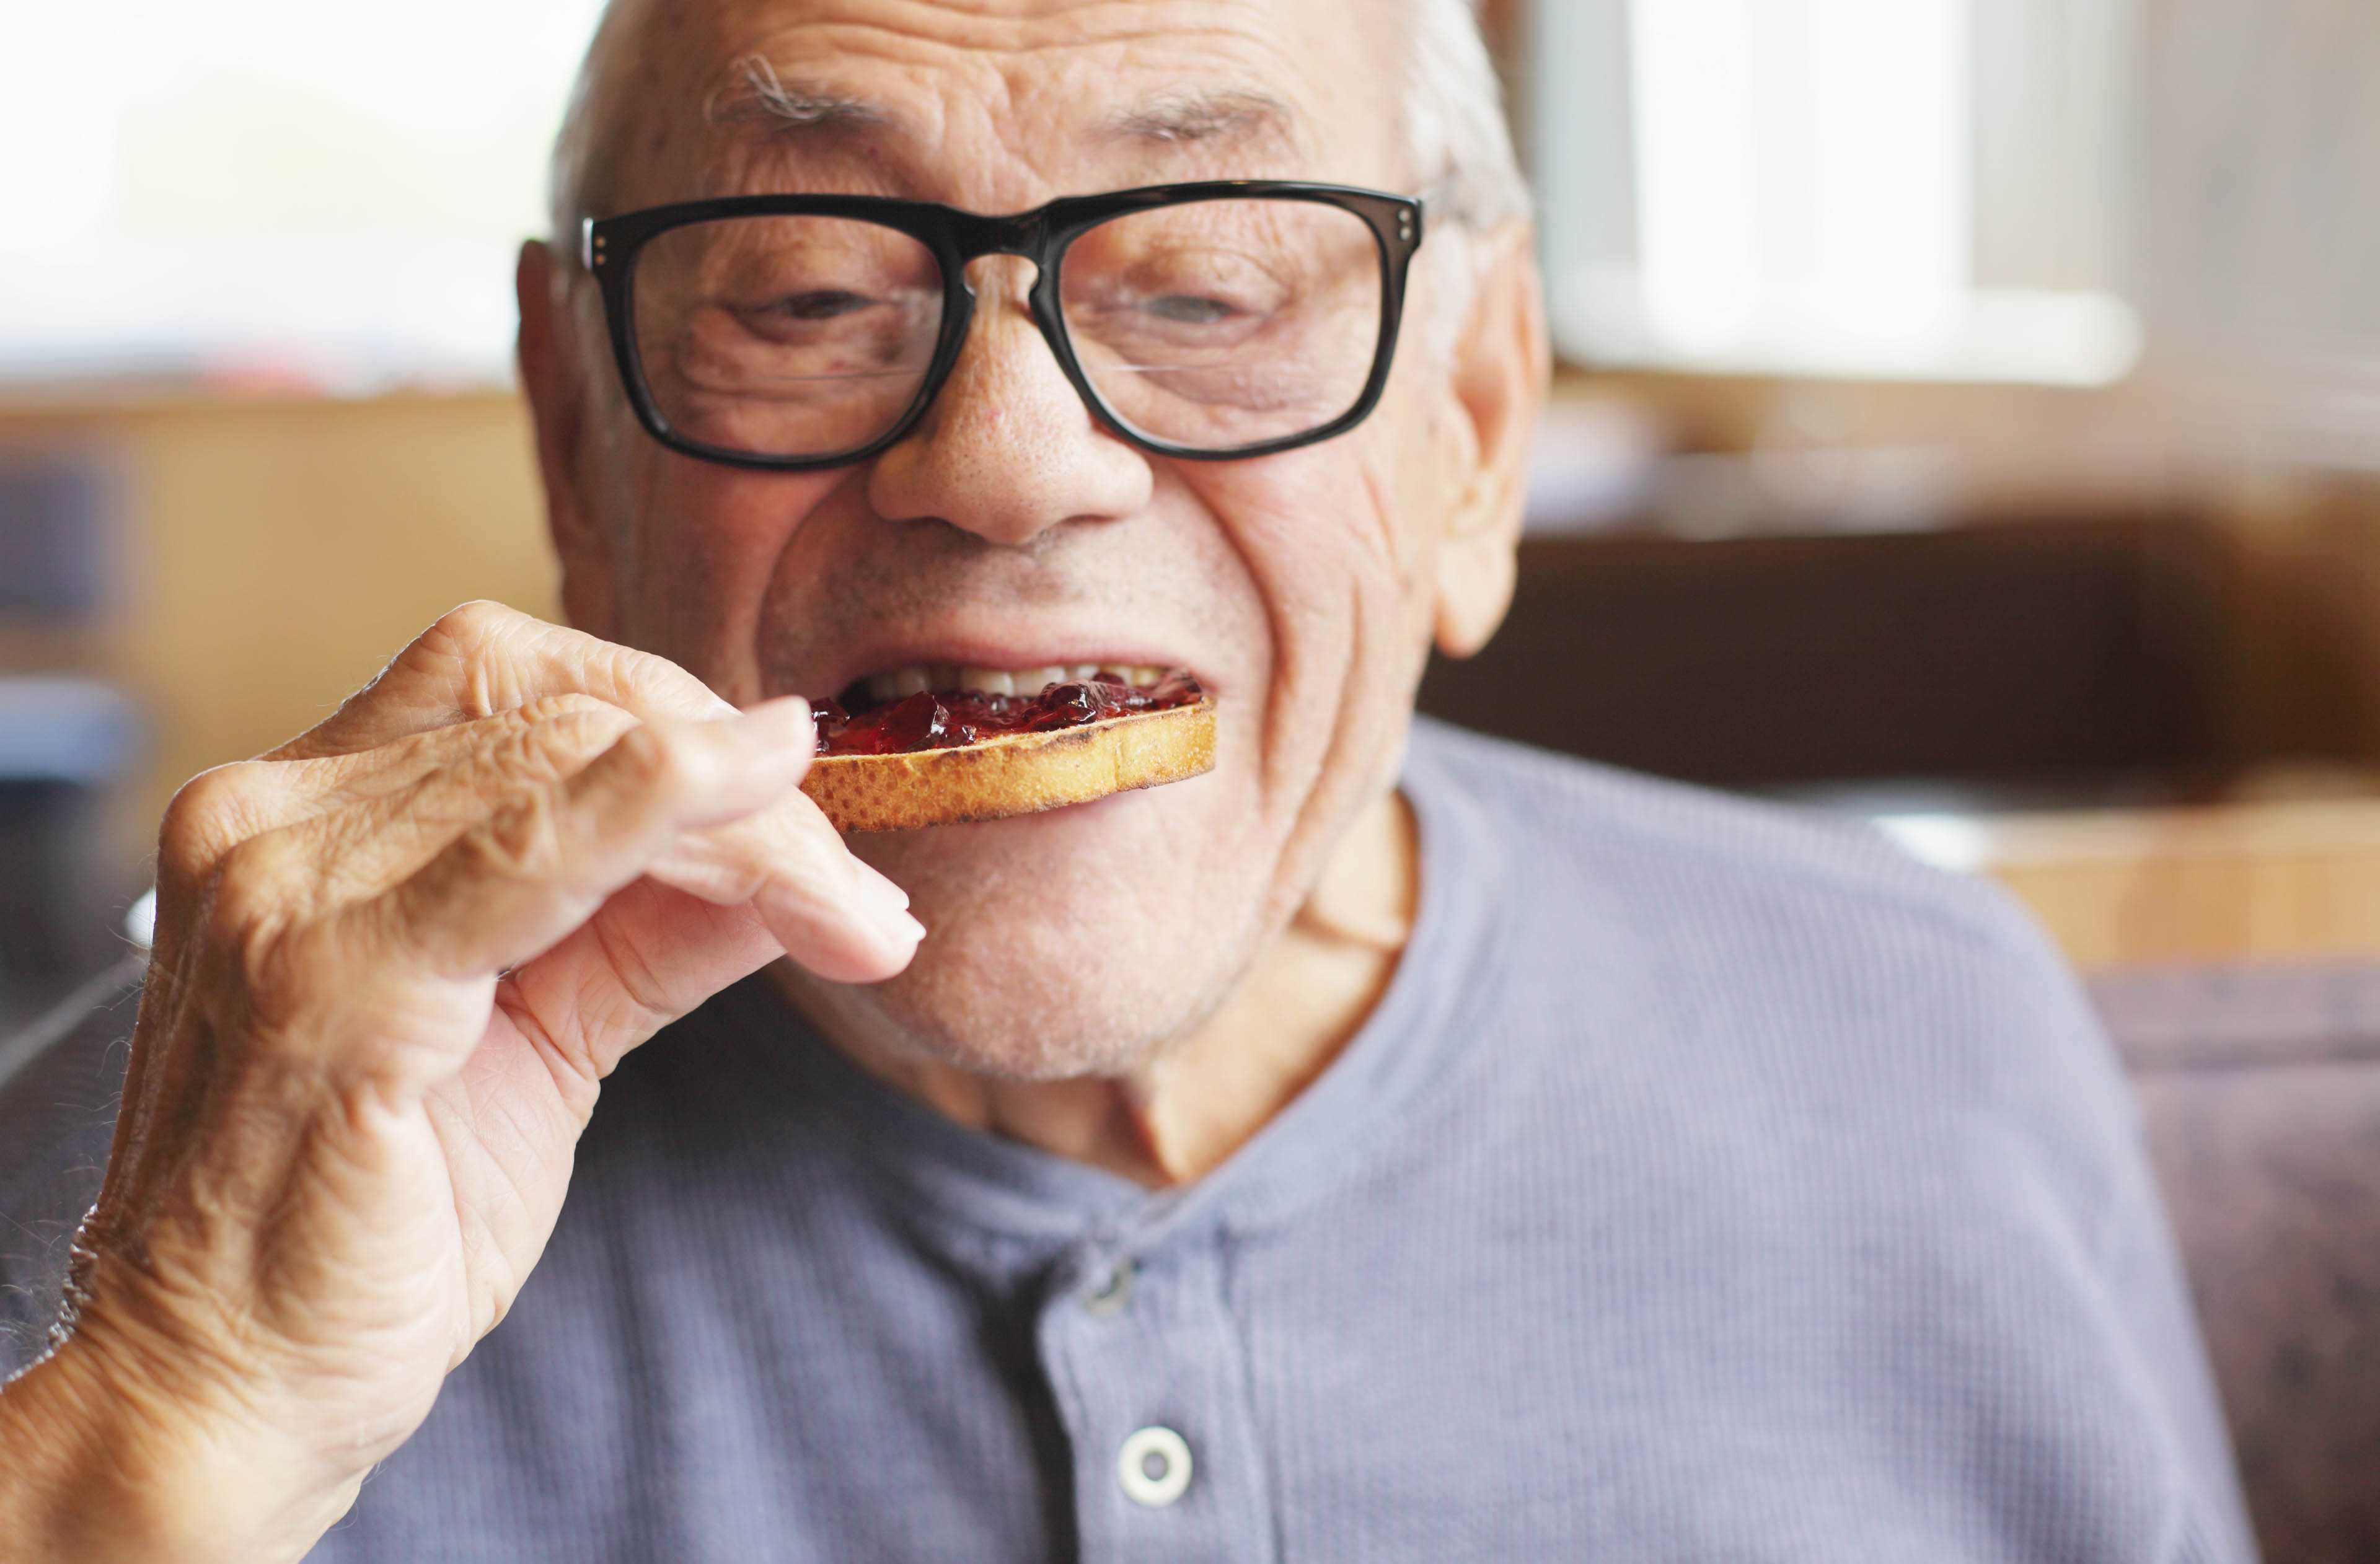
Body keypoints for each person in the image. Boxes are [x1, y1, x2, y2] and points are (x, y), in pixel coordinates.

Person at [0, 0, 2257, 1558]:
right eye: (801, 294)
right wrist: (167, 1435)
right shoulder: (164, 1200)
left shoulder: (1928, 1049)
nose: (1003, 461)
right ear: (575, 437)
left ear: (1474, 426)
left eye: (1201, 286)